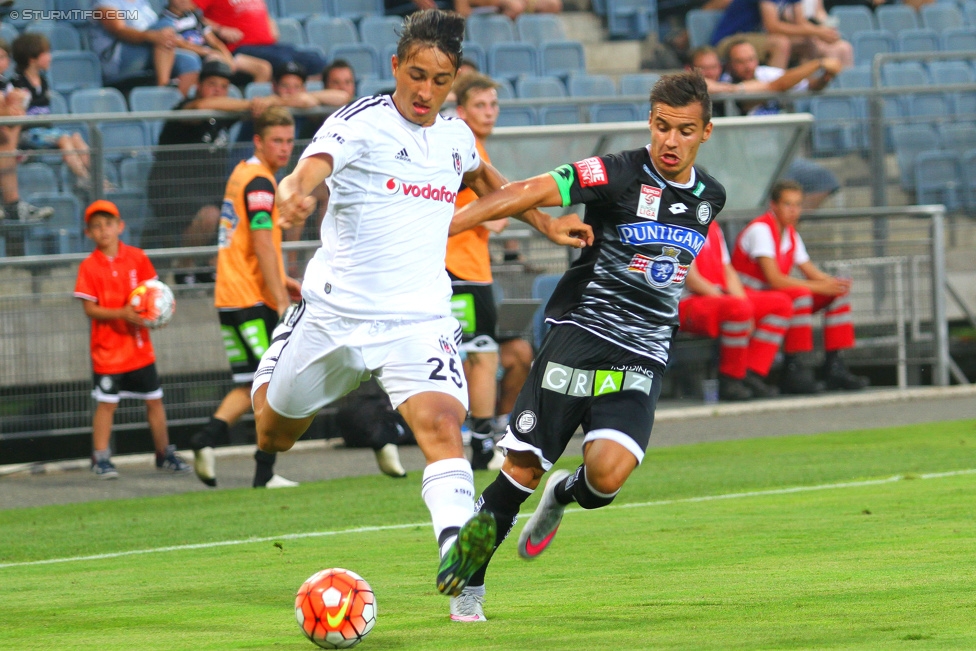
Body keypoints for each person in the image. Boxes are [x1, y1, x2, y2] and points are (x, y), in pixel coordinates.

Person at [248, 10, 591, 599]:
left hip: (419, 318)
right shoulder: (360, 122)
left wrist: (545, 224)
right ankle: (284, 348)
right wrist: (292, 196)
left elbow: (491, 183)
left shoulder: (456, 136)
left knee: (441, 426)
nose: (425, 90)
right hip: (335, 316)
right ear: (395, 68)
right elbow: (308, 171)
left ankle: (460, 561)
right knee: (272, 433)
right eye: (415, 75)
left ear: (453, 79)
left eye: (439, 80)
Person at [446, 71, 725, 622]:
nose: (670, 141)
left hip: (644, 353)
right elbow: (525, 191)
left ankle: (563, 496)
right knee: (519, 470)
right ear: (650, 122)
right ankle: (469, 588)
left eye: (684, 131)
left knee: (607, 476)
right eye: (662, 126)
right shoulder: (617, 172)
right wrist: (445, 228)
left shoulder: (709, 197)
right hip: (582, 335)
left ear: (706, 133)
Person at [189, 106, 302, 488]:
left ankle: (206, 440)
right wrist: (279, 297)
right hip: (250, 297)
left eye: (289, 141)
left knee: (249, 380)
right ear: (258, 141)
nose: (285, 148)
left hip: (231, 294)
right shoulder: (259, 182)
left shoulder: (243, 173)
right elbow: (260, 242)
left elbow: (249, 242)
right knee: (272, 382)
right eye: (276, 141)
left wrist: (283, 278)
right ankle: (263, 473)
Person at [73, 199, 191, 479]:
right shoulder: (89, 267)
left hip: (139, 348)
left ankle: (164, 453)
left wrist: (156, 318)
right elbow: (90, 309)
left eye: (109, 224)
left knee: (154, 400)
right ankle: (100, 457)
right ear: (88, 232)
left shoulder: (138, 257)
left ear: (120, 227)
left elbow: (156, 295)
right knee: (107, 404)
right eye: (96, 226)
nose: (104, 230)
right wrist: (122, 313)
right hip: (107, 351)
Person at [731, 179, 869, 393]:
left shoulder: (791, 234)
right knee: (801, 294)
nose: (794, 211)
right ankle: (793, 367)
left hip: (774, 297)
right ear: (773, 206)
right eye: (788, 204)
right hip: (748, 296)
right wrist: (820, 286)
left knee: (836, 294)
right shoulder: (761, 229)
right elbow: (774, 279)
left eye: (798, 205)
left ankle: (834, 365)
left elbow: (812, 273)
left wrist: (833, 285)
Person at [144, 59, 278, 256]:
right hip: (171, 187)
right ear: (198, 86)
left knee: (247, 207)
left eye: (224, 87)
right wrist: (251, 104)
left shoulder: (223, 113)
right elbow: (202, 107)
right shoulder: (185, 108)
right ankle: (183, 268)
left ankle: (214, 267)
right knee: (210, 216)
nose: (218, 90)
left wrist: (268, 102)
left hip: (207, 187)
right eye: (212, 84)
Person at [692, 41, 842, 209]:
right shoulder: (727, 83)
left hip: (781, 155)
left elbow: (808, 85)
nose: (748, 66)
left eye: (751, 59)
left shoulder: (766, 73)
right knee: (753, 204)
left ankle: (782, 228)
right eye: (740, 62)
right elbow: (778, 86)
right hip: (748, 162)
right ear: (729, 65)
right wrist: (818, 63)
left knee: (824, 181)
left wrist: (825, 78)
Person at [447, 73, 509, 470]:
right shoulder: (467, 151)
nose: (488, 113)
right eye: (480, 106)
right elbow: (499, 219)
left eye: (493, 105)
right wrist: (499, 208)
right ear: (461, 111)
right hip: (463, 269)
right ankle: (483, 447)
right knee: (482, 357)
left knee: (463, 357)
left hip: (456, 267)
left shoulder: (468, 147)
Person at [679, 220, 792, 400]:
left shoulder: (713, 226)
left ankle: (750, 373)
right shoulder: (679, 224)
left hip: (718, 297)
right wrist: (733, 302)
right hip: (689, 301)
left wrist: (742, 301)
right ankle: (730, 379)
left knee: (781, 304)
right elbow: (691, 279)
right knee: (738, 308)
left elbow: (727, 269)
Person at [7, 34, 98, 193]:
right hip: (27, 134)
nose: (50, 57)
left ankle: (97, 178)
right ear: (32, 58)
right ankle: (83, 178)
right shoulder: (17, 83)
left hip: (46, 131)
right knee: (63, 139)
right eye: (46, 53)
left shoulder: (44, 81)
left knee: (75, 137)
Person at [91, 0, 202, 95]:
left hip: (149, 51)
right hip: (117, 59)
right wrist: (151, 36)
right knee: (163, 26)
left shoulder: (142, 2)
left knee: (189, 60)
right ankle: (163, 88)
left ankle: (179, 105)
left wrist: (158, 36)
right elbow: (119, 30)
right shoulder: (105, 2)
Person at [194, 0, 326, 76]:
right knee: (285, 63)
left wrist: (270, 23)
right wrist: (219, 29)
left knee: (314, 59)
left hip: (269, 46)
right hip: (240, 48)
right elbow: (190, 14)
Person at [154, 0, 273, 83]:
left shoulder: (194, 16)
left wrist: (228, 57)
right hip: (201, 58)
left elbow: (213, 40)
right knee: (219, 64)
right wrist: (207, 52)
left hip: (215, 54)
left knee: (263, 68)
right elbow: (180, 44)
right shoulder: (165, 21)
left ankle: (256, 106)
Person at [0, 37, 53, 225]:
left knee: (8, 138)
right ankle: (13, 204)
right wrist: (8, 109)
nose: (2, 61)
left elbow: (16, 112)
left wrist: (13, 105)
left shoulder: (5, 83)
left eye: (4, 57)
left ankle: (13, 204)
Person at [709, 0, 852, 70]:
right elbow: (773, 26)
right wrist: (817, 31)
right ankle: (774, 97)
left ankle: (804, 93)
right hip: (730, 39)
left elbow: (800, 23)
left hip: (754, 38)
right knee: (781, 43)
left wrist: (821, 33)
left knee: (808, 43)